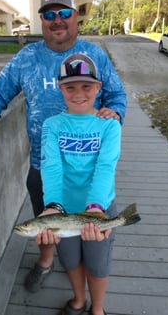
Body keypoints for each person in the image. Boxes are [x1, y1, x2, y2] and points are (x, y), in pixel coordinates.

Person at [0, 0, 126, 293]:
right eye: (49, 14)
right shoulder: (26, 57)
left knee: (90, 225)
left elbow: (117, 94)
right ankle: (44, 260)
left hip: (87, 164)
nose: (57, 20)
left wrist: (115, 112)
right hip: (45, 164)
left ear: (75, 16)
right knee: (44, 216)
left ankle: (87, 291)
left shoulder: (94, 54)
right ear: (41, 20)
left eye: (64, 13)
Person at [36, 53, 121, 315]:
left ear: (98, 87)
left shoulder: (109, 125)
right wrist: (53, 205)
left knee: (97, 266)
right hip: (63, 210)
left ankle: (97, 309)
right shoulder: (51, 125)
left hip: (99, 209)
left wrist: (95, 207)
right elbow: (51, 166)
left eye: (86, 86)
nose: (78, 93)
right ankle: (78, 300)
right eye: (70, 87)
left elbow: (105, 166)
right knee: (71, 261)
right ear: (60, 88)